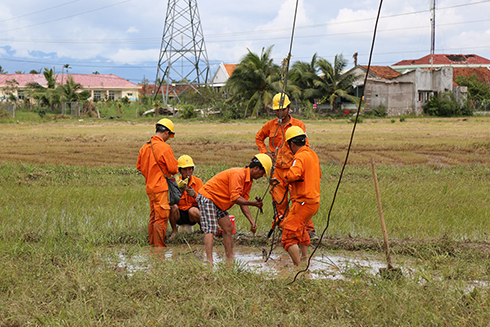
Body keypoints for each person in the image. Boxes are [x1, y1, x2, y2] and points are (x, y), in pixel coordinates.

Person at [255, 93, 319, 240]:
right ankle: (285, 230)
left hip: (294, 169)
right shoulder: (270, 125)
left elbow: (305, 146)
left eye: (283, 109)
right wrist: (265, 153)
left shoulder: (298, 126)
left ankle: (308, 230)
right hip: (277, 170)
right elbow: (259, 137)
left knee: (298, 201)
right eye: (277, 110)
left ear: (289, 108)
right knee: (279, 202)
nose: (280, 112)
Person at [196, 154, 272, 263]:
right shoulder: (238, 174)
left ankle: (230, 257)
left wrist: (252, 222)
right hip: (208, 197)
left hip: (219, 201)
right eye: (262, 173)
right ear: (256, 168)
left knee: (228, 228)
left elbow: (243, 202)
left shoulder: (248, 181)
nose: (262, 176)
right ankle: (209, 261)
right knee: (210, 229)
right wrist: (254, 203)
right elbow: (235, 198)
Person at [279, 126, 321, 266]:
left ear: (291, 144)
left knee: (288, 235)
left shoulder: (300, 156)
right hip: (314, 203)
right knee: (302, 231)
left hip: (303, 202)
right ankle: (304, 259)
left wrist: (286, 176)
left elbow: (293, 175)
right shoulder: (312, 154)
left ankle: (298, 269)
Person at [136, 118, 178, 249]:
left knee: (153, 217)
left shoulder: (145, 147)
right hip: (161, 188)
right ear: (166, 133)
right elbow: (173, 169)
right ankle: (159, 248)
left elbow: (140, 167)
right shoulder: (164, 148)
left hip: (150, 188)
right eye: (168, 136)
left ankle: (153, 245)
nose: (168, 138)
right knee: (161, 217)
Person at [168, 155, 203, 240]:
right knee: (173, 207)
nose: (188, 172)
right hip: (179, 214)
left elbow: (204, 200)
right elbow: (169, 201)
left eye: (190, 169)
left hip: (192, 215)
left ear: (192, 170)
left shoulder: (198, 182)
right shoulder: (174, 182)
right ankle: (174, 231)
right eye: (185, 169)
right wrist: (179, 192)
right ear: (180, 171)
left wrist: (195, 195)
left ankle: (203, 229)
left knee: (194, 211)